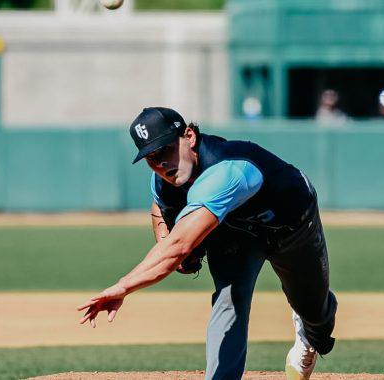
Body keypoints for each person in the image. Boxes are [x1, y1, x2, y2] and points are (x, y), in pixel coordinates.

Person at [77, 107, 337, 379]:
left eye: (165, 150)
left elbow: (177, 248)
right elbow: (160, 209)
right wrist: (166, 240)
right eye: (150, 157)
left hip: (292, 224)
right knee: (228, 300)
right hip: (235, 232)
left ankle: (309, 331)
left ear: (188, 136)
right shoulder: (164, 179)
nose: (161, 164)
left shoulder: (229, 170)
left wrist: (123, 286)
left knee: (315, 313)